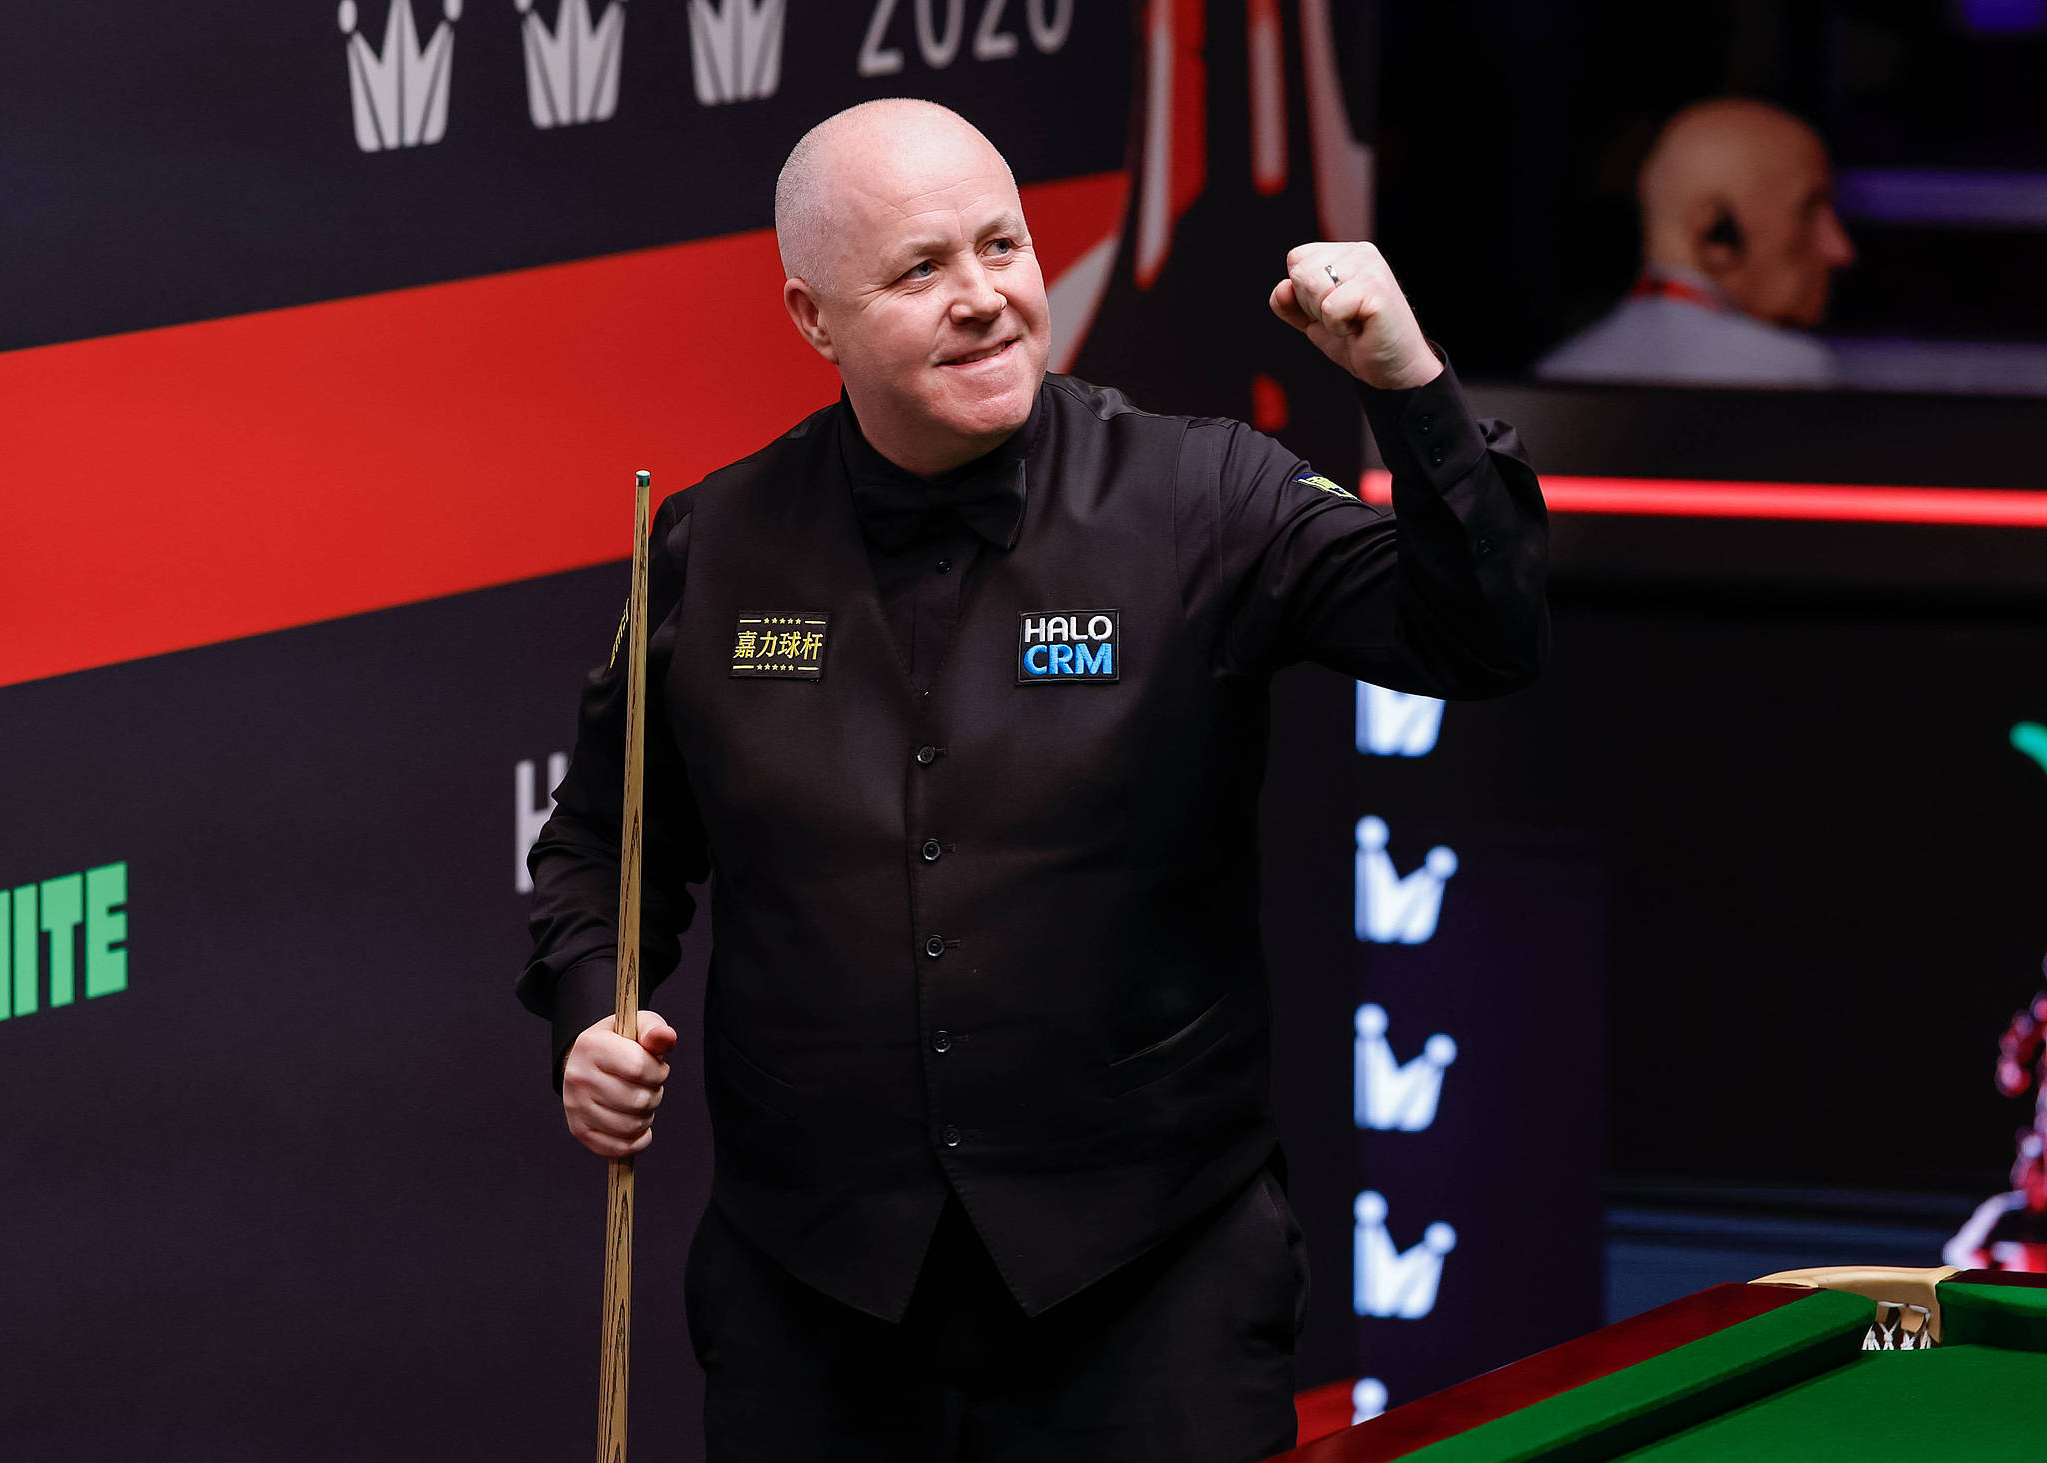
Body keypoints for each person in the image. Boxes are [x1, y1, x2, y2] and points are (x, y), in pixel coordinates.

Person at [519, 98, 1548, 1462]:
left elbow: (1477, 636)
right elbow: (602, 844)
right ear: (814, 317)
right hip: (815, 1302)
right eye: (920, 269)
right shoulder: (714, 547)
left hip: (1149, 1288)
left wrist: (1408, 386)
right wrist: (598, 1016)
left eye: (1000, 247)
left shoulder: (1202, 497)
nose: (984, 299)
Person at [1536, 97, 1856, 388]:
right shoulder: (1792, 373)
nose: (1840, 250)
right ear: (1715, 232)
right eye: (1809, 212)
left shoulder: (1557, 371)